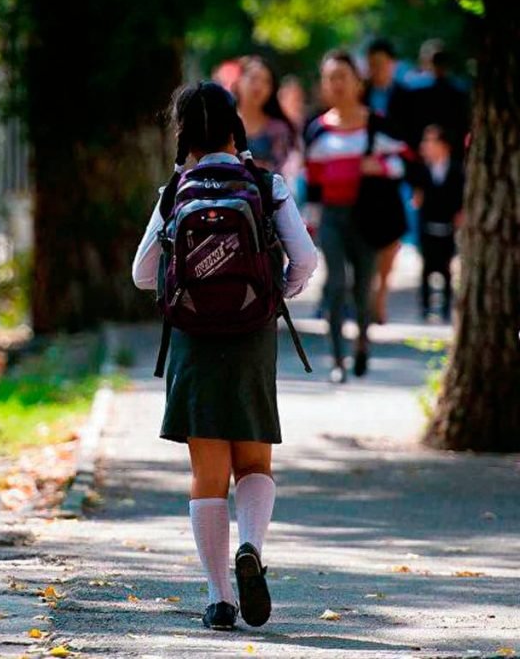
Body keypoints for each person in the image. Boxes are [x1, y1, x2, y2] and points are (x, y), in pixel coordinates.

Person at [132, 82, 317, 631]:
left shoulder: (175, 192)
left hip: (193, 341)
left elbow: (142, 274)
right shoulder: (265, 183)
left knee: (206, 475)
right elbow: (305, 258)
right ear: (235, 126)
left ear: (183, 133)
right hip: (251, 334)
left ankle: (218, 599)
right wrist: (276, 289)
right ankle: (252, 549)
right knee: (254, 462)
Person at [304, 50, 410, 383]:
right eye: (329, 78)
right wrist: (309, 225)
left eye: (342, 77)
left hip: (367, 217)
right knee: (335, 285)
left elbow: (406, 163)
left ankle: (362, 343)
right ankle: (338, 360)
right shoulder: (316, 131)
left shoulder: (378, 124)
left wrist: (377, 166)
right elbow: (312, 184)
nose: (336, 84)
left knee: (363, 287)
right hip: (332, 219)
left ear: (357, 82)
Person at [364, 39, 413, 325]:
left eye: (380, 64)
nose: (376, 70)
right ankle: (368, 290)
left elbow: (414, 137)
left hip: (396, 177)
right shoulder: (362, 93)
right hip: (366, 179)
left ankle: (381, 292)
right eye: (371, 65)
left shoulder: (406, 96)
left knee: (393, 236)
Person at [414, 124, 464, 321]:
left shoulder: (456, 169)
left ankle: (445, 308)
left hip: (449, 226)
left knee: (446, 268)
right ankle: (426, 307)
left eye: (431, 142)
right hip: (427, 225)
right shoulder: (423, 170)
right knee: (426, 266)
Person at [233, 56, 297, 177]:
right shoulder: (222, 124)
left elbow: (281, 172)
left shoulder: (278, 130)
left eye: (266, 82)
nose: (259, 86)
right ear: (238, 82)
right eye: (253, 79)